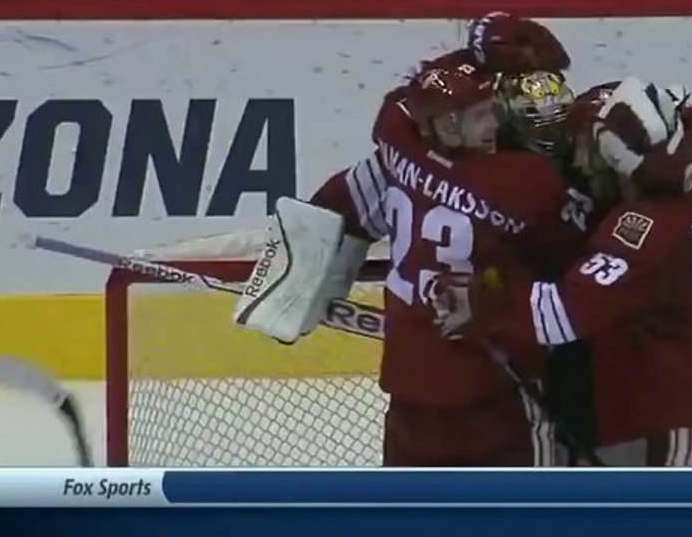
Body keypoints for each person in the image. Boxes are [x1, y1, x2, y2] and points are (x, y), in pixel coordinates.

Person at [238, 56, 588, 467]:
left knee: (407, 502)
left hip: (409, 381)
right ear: (448, 125)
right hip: (495, 387)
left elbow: (396, 111)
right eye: (481, 116)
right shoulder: (523, 180)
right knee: (526, 505)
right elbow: (569, 262)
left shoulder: (398, 145)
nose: (493, 124)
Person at [438, 78, 692, 466]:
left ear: (616, 158)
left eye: (588, 151)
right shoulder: (689, 185)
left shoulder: (645, 229)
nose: (579, 163)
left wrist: (482, 303)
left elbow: (560, 314)